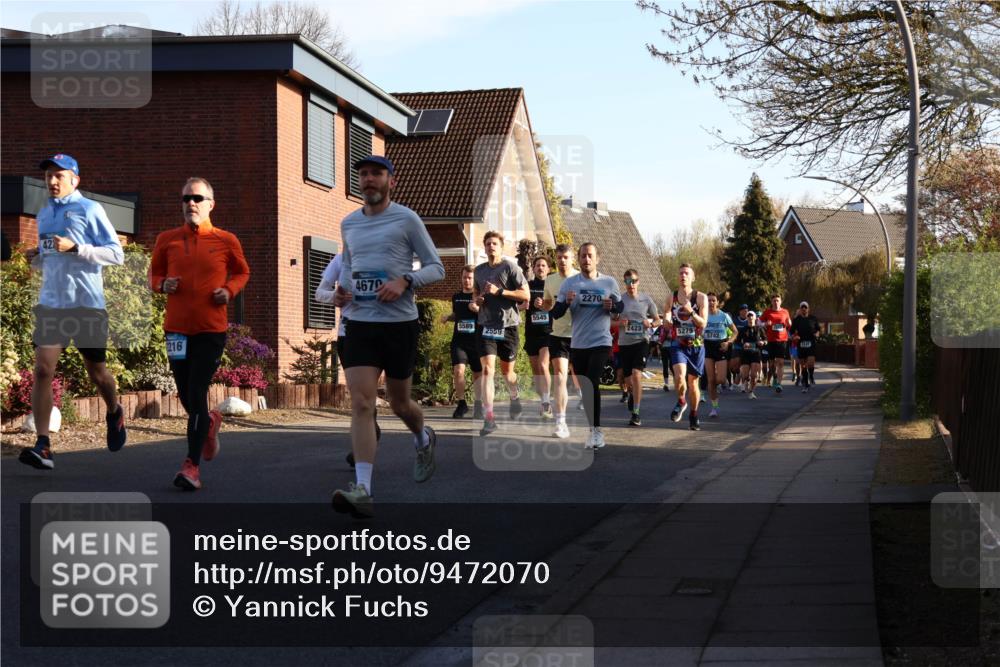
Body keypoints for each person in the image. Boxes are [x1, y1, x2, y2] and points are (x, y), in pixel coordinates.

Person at [331, 155, 445, 517]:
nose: (369, 180)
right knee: (363, 403)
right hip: (361, 322)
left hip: (399, 325)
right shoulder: (348, 223)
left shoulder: (407, 219)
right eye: (363, 174)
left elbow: (436, 267)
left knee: (399, 404)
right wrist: (341, 292)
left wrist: (406, 280)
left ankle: (422, 437)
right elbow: (349, 266)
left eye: (377, 174)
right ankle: (363, 490)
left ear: (390, 181)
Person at [19, 153, 126, 470]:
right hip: (52, 304)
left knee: (98, 374)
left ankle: (114, 410)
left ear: (74, 180)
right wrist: (36, 256)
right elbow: (50, 260)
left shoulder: (90, 209)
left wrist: (77, 247)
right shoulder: (43, 215)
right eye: (48, 176)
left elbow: (116, 253)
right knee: (42, 370)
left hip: (86, 305)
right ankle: (43, 445)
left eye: (59, 176)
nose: (52, 181)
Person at [150, 177, 249, 490]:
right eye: (185, 199)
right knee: (184, 392)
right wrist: (160, 284)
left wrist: (229, 291)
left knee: (196, 390)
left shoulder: (225, 240)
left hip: (210, 330)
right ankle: (208, 424)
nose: (190, 204)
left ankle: (191, 466)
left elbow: (242, 271)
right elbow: (154, 273)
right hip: (176, 330)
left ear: (210, 204)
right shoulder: (167, 239)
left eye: (197, 198)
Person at [551, 242, 623, 448]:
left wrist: (613, 306)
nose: (586, 259)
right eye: (583, 256)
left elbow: (620, 306)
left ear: (597, 258)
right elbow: (555, 313)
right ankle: (593, 430)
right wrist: (565, 302)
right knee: (586, 387)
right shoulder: (569, 284)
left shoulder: (609, 282)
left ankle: (597, 432)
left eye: (590, 256)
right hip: (578, 343)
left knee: (591, 383)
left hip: (601, 342)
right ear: (579, 259)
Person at [316, 251, 381, 468]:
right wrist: (334, 297)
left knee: (365, 394)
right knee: (358, 395)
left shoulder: (381, 257)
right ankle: (370, 429)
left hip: (375, 332)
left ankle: (365, 439)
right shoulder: (340, 260)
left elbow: (395, 294)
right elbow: (319, 292)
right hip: (347, 334)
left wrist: (365, 297)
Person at [473, 231, 529, 435]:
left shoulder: (511, 268)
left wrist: (500, 292)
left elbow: (525, 296)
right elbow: (475, 297)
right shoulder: (478, 271)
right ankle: (489, 419)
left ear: (501, 246)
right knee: (488, 370)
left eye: (494, 243)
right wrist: (477, 301)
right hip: (486, 324)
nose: (490, 247)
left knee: (507, 373)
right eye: (487, 243)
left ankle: (514, 396)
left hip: (509, 326)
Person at [665, 263, 709, 431]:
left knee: (693, 383)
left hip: (696, 345)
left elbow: (703, 323)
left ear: (693, 277)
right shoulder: (672, 297)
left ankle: (694, 414)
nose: (683, 276)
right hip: (678, 344)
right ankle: (682, 401)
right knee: (679, 376)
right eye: (681, 273)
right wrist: (667, 321)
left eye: (686, 273)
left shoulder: (700, 298)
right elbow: (667, 316)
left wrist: (691, 312)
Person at [542, 243, 578, 439]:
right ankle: (561, 421)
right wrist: (543, 305)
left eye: (566, 257)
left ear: (572, 258)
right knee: (560, 377)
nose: (562, 261)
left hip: (581, 335)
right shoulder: (550, 280)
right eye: (559, 258)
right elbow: (549, 304)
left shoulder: (581, 278)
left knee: (580, 377)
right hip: (558, 335)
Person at [617, 269, 660, 426]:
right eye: (628, 282)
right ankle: (632, 395)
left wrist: (650, 324)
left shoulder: (646, 299)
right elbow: (609, 321)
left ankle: (636, 413)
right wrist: (619, 323)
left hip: (642, 342)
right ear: (625, 283)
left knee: (636, 374)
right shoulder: (619, 301)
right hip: (624, 343)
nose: (631, 285)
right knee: (627, 380)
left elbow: (657, 320)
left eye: (634, 281)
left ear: (638, 282)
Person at [441, 264, 483, 419]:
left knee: (477, 375)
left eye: (470, 278)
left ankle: (478, 404)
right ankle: (461, 404)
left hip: (477, 341)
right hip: (459, 341)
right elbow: (457, 314)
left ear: (474, 279)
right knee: (458, 371)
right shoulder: (456, 296)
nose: (467, 280)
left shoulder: (479, 297)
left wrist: (478, 310)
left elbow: (489, 315)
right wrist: (448, 317)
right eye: (464, 277)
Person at [522, 256, 553, 419]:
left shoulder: (552, 285)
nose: (540, 268)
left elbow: (558, 307)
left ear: (548, 269)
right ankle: (544, 400)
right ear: (533, 269)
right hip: (531, 332)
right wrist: (525, 306)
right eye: (538, 265)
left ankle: (547, 403)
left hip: (548, 332)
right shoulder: (528, 286)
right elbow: (520, 305)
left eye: (543, 265)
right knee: (536, 371)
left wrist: (546, 306)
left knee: (543, 365)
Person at [703, 292, 737, 418]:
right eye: (709, 301)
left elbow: (735, 332)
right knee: (711, 379)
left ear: (717, 302)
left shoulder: (723, 316)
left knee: (721, 379)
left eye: (713, 300)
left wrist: (728, 342)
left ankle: (712, 385)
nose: (711, 303)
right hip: (707, 346)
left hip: (720, 347)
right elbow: (697, 330)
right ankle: (714, 407)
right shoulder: (704, 315)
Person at [759, 294, 793, 394]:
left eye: (777, 300)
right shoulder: (768, 312)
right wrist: (765, 324)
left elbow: (788, 323)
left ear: (781, 301)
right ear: (771, 302)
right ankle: (774, 376)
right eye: (774, 300)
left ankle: (779, 383)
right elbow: (758, 322)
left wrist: (789, 323)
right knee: (772, 363)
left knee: (780, 362)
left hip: (782, 340)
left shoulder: (785, 311)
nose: (776, 302)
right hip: (771, 340)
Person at [791, 300, 821, 392]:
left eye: (805, 307)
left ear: (808, 309)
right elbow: (791, 332)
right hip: (801, 343)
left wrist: (817, 334)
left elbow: (818, 330)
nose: (804, 309)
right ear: (800, 309)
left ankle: (811, 376)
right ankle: (805, 384)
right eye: (802, 307)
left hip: (811, 343)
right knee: (803, 365)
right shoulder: (797, 320)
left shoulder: (813, 319)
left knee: (811, 363)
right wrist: (795, 337)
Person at [736, 310, 766, 399]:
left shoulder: (760, 329)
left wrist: (763, 342)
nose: (750, 318)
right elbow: (737, 341)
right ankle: (742, 377)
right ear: (747, 318)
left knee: (754, 375)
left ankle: (751, 391)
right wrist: (743, 345)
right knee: (746, 376)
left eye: (752, 316)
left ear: (755, 318)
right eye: (748, 316)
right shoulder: (743, 329)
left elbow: (766, 340)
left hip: (756, 353)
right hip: (745, 354)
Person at [729, 304, 751, 392]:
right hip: (736, 344)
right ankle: (737, 375)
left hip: (746, 345)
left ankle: (743, 384)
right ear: (740, 311)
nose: (745, 312)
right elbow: (731, 330)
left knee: (744, 364)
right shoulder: (735, 320)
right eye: (743, 310)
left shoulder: (749, 320)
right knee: (734, 365)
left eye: (746, 310)